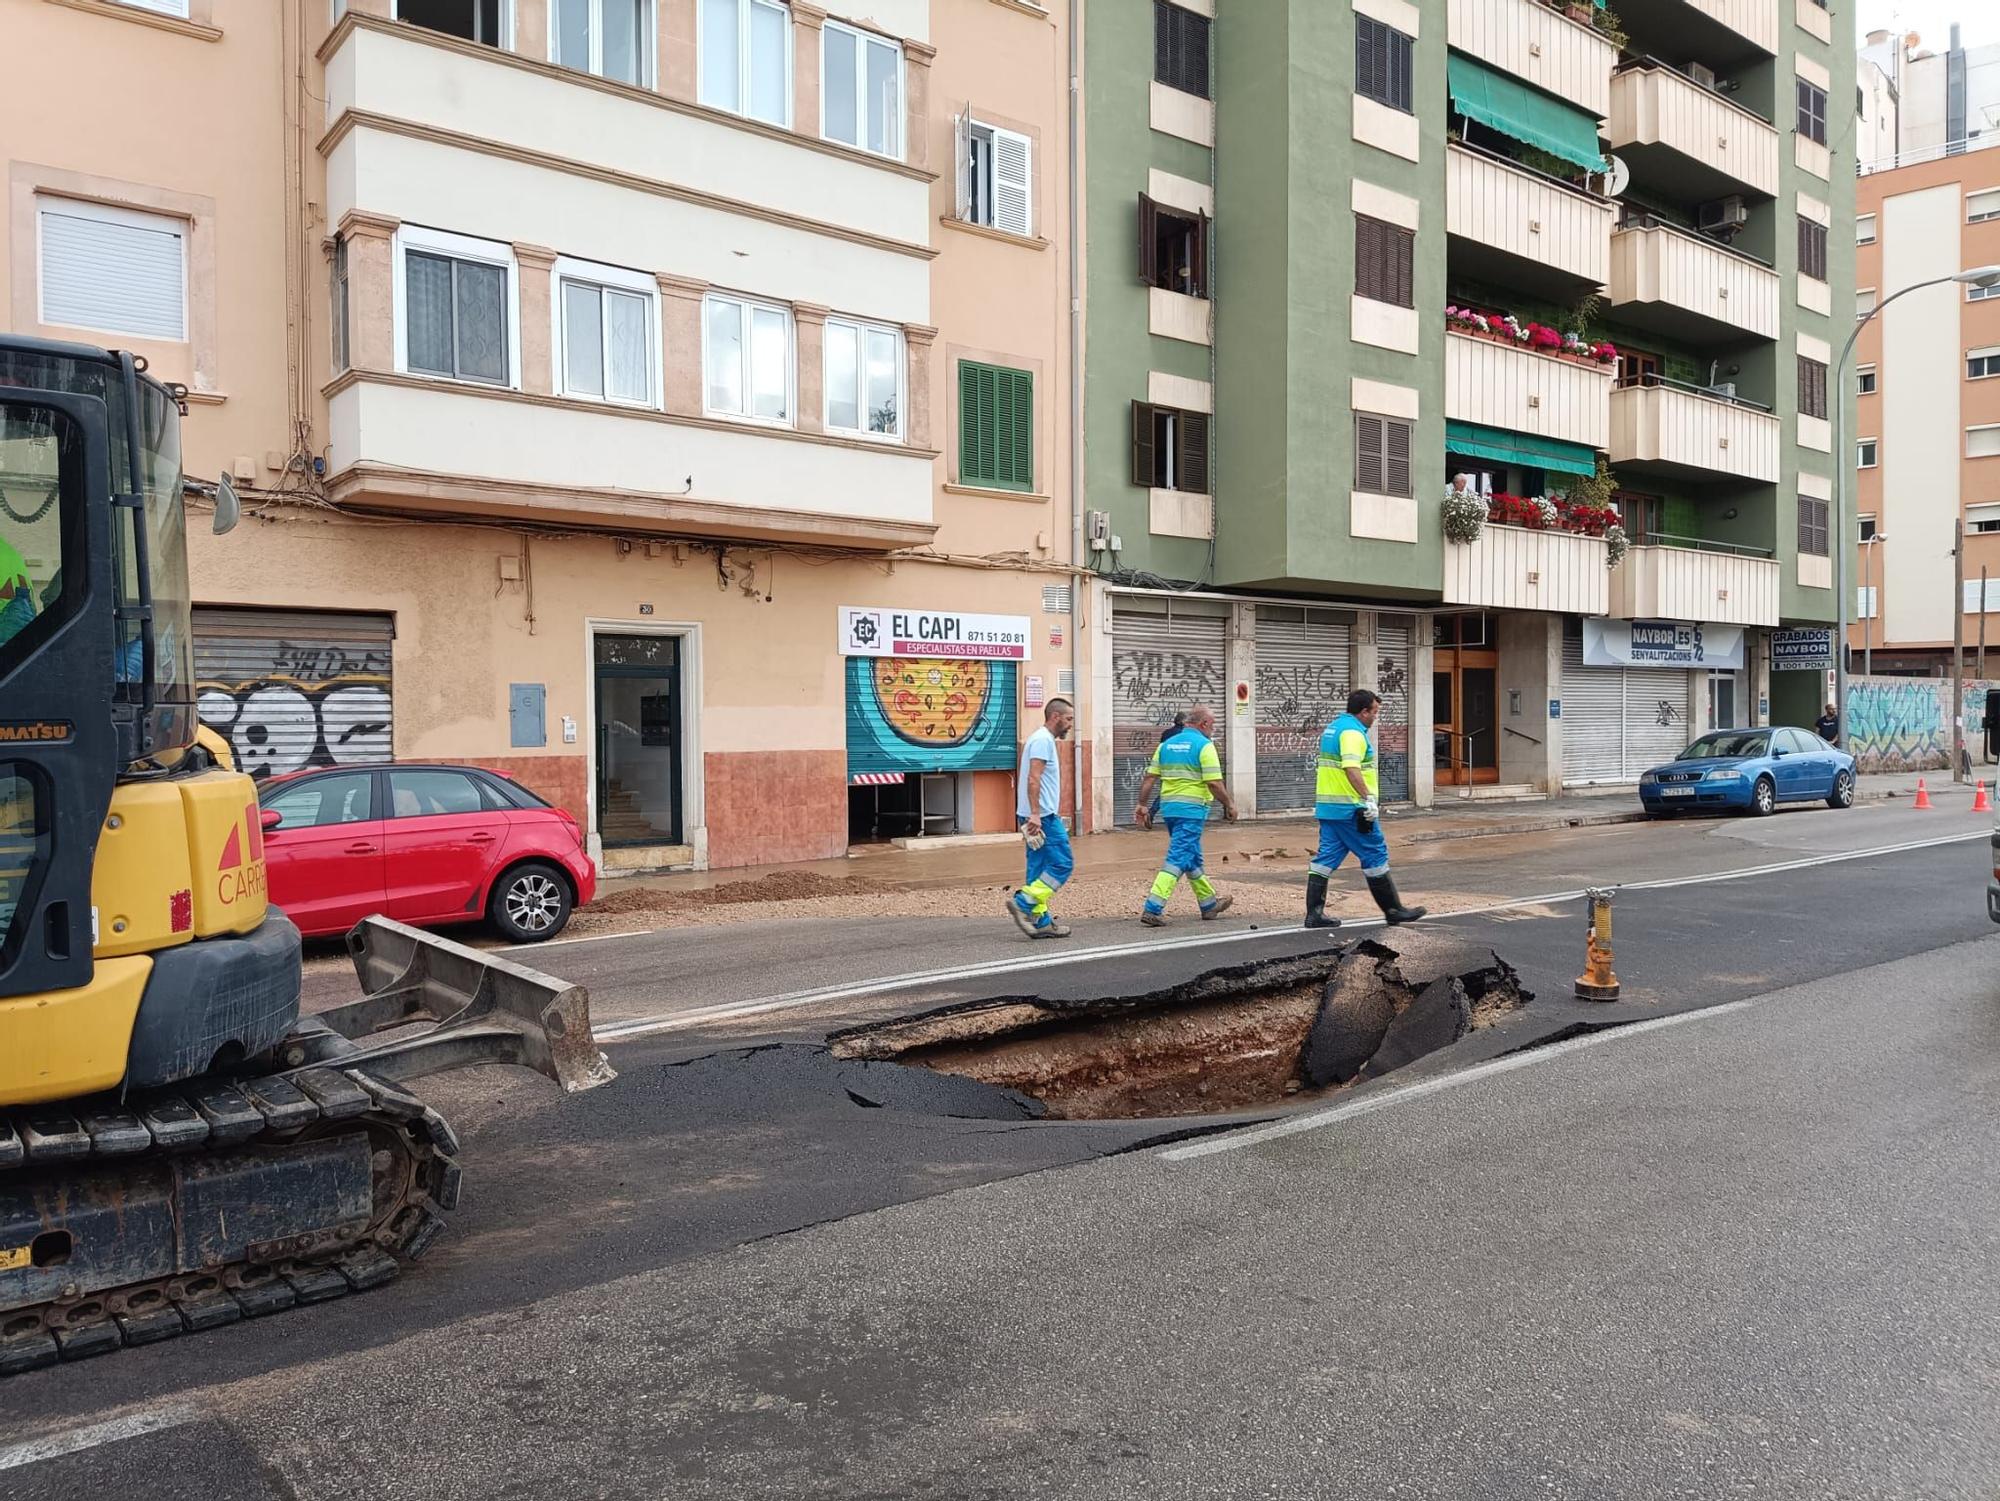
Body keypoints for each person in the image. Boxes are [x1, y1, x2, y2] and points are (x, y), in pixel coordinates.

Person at [1305, 688, 1425, 929]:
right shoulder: (1352, 733)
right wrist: (1368, 799)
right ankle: (1393, 910)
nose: (1375, 718)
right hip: (1352, 810)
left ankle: (1314, 914)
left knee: (1325, 860)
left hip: (1330, 809)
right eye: (1374, 713)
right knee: (1375, 854)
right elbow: (1351, 768)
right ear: (1363, 712)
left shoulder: (1334, 728)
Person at [1133, 704, 1236, 927]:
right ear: (1204, 724)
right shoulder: (1205, 746)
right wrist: (1229, 804)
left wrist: (1142, 805)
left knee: (1191, 857)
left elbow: (1150, 778)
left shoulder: (1166, 745)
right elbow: (1214, 783)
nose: (1214, 729)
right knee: (1178, 857)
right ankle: (1153, 907)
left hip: (1170, 810)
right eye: (1213, 724)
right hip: (1192, 810)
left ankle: (1209, 904)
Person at [1008, 698, 1075, 940]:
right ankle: (1024, 903)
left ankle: (1041, 922)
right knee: (1062, 864)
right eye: (1068, 719)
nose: (1070, 725)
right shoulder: (1042, 741)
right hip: (1042, 817)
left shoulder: (1040, 740)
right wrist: (1035, 813)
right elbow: (1033, 779)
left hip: (1033, 815)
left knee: (1037, 870)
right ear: (1055, 716)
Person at [1133, 712, 1186, 824]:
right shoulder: (1185, 734)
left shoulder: (1166, 733)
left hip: (1166, 766)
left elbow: (1161, 751)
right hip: (1184, 767)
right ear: (1184, 722)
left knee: (1165, 791)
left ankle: (1152, 813)